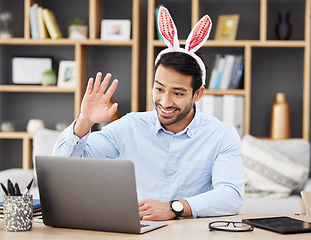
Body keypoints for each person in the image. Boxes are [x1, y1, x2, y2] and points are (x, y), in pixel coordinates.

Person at [53, 7, 244, 221]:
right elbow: (63, 169)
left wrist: (174, 208)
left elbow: (231, 196)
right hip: (136, 231)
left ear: (198, 93)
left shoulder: (221, 135)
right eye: (159, 89)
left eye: (178, 93)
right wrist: (84, 121)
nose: (165, 102)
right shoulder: (130, 126)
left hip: (189, 233)